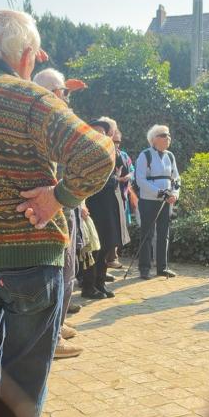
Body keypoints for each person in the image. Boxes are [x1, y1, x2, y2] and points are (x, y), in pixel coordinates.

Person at [0, 10, 115, 417]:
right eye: (34, 57)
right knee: (22, 389)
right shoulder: (29, 99)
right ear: (24, 55)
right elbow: (98, 154)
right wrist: (60, 197)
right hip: (32, 258)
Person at [32, 67, 88, 359]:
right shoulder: (48, 118)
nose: (68, 98)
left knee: (67, 270)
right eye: (64, 93)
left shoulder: (38, 114)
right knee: (61, 271)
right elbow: (92, 152)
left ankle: (57, 325)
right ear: (54, 93)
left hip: (61, 202)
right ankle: (51, 338)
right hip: (54, 205)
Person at [81, 117, 126, 299]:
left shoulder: (110, 151)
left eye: (104, 132)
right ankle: (88, 286)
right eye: (97, 131)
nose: (101, 135)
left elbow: (121, 166)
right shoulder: (84, 153)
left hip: (108, 204)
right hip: (92, 204)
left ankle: (100, 283)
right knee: (93, 247)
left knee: (107, 244)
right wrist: (114, 179)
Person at [135, 125, 181, 280]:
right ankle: (144, 268)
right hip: (148, 201)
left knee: (164, 234)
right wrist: (161, 193)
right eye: (163, 135)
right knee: (147, 234)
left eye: (168, 135)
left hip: (167, 201)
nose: (168, 138)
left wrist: (175, 194)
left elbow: (176, 178)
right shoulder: (145, 155)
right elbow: (140, 180)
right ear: (154, 139)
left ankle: (162, 267)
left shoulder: (170, 156)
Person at [105, 130, 135, 269]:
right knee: (109, 226)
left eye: (118, 141)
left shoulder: (124, 155)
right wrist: (116, 178)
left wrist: (128, 176)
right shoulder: (103, 155)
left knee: (119, 226)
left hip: (122, 196)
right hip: (107, 197)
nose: (116, 144)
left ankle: (113, 256)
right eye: (113, 141)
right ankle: (107, 259)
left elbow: (132, 170)